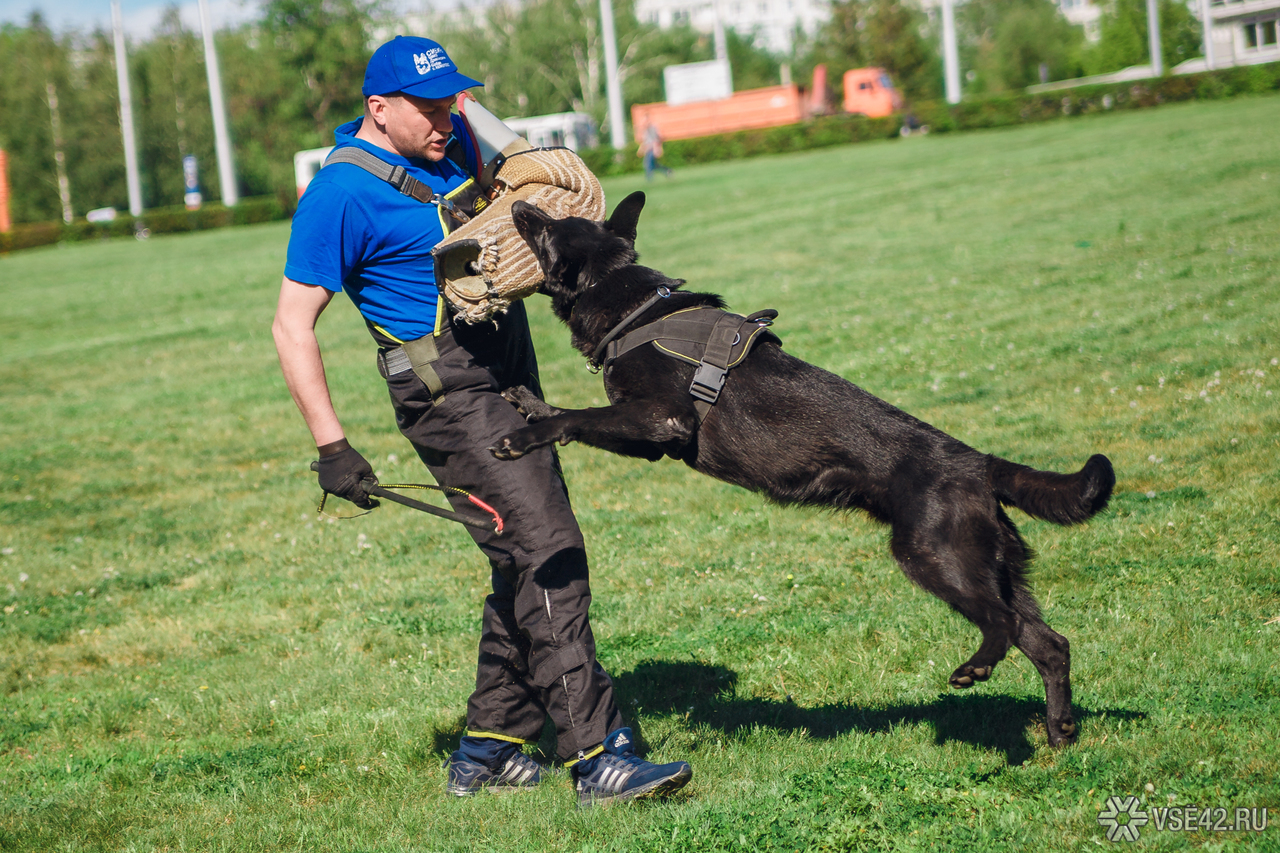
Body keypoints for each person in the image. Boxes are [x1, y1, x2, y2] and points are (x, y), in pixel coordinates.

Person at [271, 36, 692, 806]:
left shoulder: (456, 135)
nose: (448, 119)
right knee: (548, 547)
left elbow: (513, 148)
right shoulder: (337, 195)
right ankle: (596, 754)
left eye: (453, 101)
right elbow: (291, 324)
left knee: (518, 553)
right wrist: (331, 443)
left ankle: (490, 747)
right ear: (377, 109)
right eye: (429, 107)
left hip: (509, 364)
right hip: (444, 391)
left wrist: (482, 119)